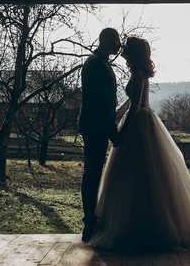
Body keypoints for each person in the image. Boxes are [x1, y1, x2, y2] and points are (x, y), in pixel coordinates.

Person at [90, 36, 190, 253]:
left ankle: (134, 227)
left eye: (126, 47)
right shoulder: (140, 73)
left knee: (135, 175)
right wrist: (118, 113)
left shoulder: (136, 74)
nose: (122, 49)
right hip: (144, 120)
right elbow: (132, 101)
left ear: (133, 53)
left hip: (137, 124)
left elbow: (135, 106)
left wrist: (121, 132)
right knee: (147, 176)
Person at [78, 27, 122, 242]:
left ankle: (91, 219)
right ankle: (89, 221)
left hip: (97, 126)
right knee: (92, 173)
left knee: (93, 172)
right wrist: (113, 131)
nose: (119, 44)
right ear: (106, 41)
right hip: (95, 126)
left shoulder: (100, 62)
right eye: (116, 40)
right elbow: (101, 102)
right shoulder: (96, 64)